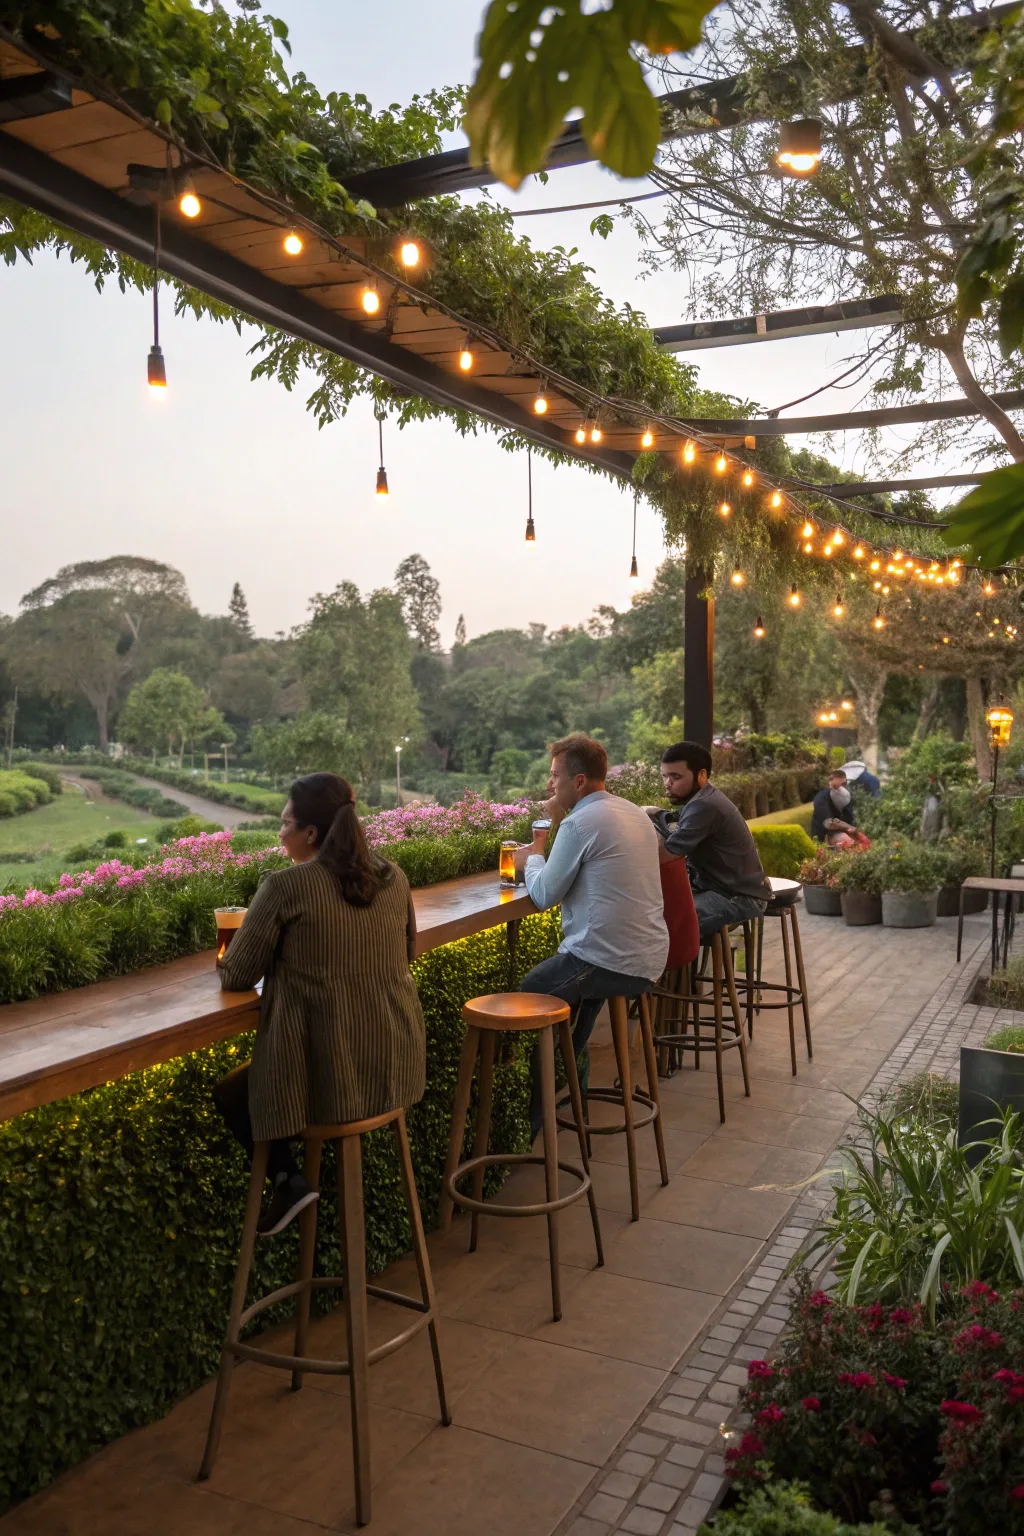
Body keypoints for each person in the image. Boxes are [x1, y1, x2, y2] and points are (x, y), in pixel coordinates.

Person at [214, 773, 425, 1237]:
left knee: (233, 1092)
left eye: (286, 824)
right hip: (396, 1064)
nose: (280, 833)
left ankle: (288, 1179)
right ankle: (292, 1183)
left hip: (331, 1077)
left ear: (311, 834)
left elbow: (239, 974)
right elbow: (407, 951)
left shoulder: (287, 886)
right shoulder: (393, 877)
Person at [513, 734, 668, 1130]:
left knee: (523, 1001)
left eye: (555, 777)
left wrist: (532, 858)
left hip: (607, 960)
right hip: (647, 958)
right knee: (571, 1007)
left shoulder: (580, 822)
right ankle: (561, 1098)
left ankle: (528, 1123)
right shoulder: (633, 812)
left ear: (579, 781)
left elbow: (546, 893)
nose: (550, 786)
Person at [653, 741, 771, 939]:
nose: (667, 783)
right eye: (664, 776)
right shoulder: (703, 799)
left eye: (676, 777)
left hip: (737, 897)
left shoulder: (704, 806)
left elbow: (666, 856)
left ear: (702, 775)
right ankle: (679, 970)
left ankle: (673, 970)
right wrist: (655, 813)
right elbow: (678, 819)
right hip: (721, 889)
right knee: (655, 913)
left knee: (661, 923)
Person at [811, 769, 858, 843]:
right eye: (841, 783)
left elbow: (849, 817)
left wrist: (851, 829)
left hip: (841, 833)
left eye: (844, 783)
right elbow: (828, 823)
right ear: (833, 779)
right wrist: (848, 827)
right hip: (823, 835)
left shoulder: (845, 795)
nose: (843, 786)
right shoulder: (821, 797)